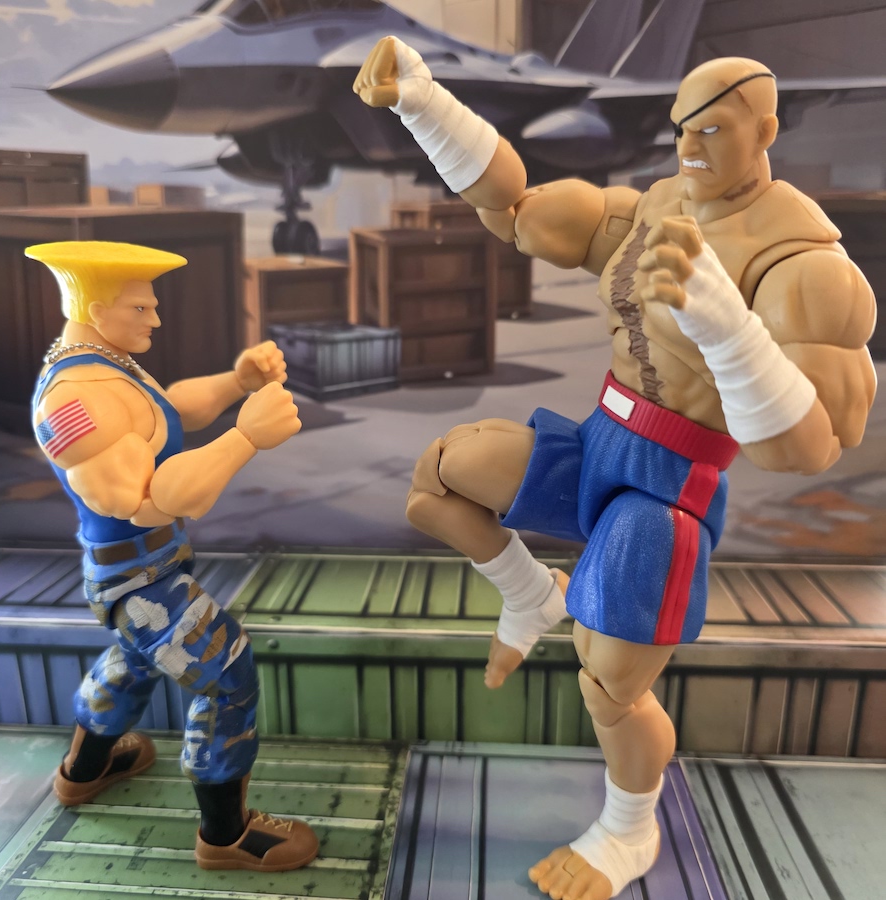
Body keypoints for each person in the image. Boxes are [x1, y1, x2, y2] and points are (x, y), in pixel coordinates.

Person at [354, 38, 877, 900]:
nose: (691, 145)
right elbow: (515, 209)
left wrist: (727, 330)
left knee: (610, 688)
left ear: (766, 132)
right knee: (443, 476)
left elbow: (808, 446)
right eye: (681, 127)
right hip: (602, 440)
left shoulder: (803, 262)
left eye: (714, 128)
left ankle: (630, 830)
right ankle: (531, 594)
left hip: (665, 492)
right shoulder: (656, 206)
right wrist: (423, 100)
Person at [29, 240, 319, 873]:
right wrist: (245, 436)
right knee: (226, 671)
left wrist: (237, 382)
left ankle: (86, 769)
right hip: (136, 577)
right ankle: (226, 834)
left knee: (134, 662)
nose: (155, 317)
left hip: (145, 567)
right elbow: (146, 500)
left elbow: (165, 414)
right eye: (141, 307)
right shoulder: (75, 401)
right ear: (97, 309)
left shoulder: (103, 365)